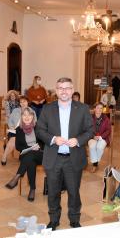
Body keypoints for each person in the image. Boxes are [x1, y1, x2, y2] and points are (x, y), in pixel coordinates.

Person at [37, 77, 93, 230]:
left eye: (67, 88)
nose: (64, 91)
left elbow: (90, 130)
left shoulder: (82, 108)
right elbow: (40, 130)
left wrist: (79, 140)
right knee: (53, 192)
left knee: (74, 192)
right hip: (53, 158)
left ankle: (74, 220)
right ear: (56, 91)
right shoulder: (48, 109)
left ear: (72, 90)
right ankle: (54, 220)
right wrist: (54, 139)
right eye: (60, 88)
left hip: (73, 158)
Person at [5, 107, 44, 201]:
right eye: (24, 115)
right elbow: (18, 146)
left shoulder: (38, 127)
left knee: (30, 157)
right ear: (21, 117)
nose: (27, 117)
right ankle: (32, 189)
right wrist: (29, 149)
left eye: (29, 115)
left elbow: (44, 142)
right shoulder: (19, 129)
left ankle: (17, 176)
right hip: (26, 154)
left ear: (33, 116)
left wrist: (38, 146)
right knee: (30, 160)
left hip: (40, 154)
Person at [1, 96, 33, 165]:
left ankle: (22, 154)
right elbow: (10, 121)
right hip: (14, 131)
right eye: (21, 102)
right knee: (13, 139)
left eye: (24, 101)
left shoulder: (31, 111)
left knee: (17, 139)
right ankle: (4, 156)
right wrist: (12, 128)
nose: (23, 103)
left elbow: (34, 123)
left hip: (26, 132)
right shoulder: (16, 110)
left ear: (28, 102)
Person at [88, 103, 111, 172]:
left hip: (103, 137)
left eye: (101, 108)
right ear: (94, 109)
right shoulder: (89, 118)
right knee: (92, 146)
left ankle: (95, 163)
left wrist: (101, 137)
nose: (99, 109)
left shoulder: (106, 118)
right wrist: (93, 136)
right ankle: (95, 164)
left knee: (99, 147)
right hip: (92, 137)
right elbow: (87, 129)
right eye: (98, 108)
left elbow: (108, 130)